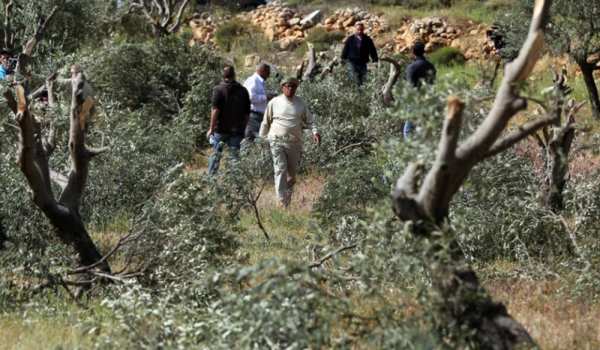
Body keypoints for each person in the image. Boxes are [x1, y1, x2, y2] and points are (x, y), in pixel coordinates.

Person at [259, 77, 321, 208]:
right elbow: (266, 122)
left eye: (293, 86)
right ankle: (281, 202)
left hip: (294, 143)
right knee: (280, 169)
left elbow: (310, 120)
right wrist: (261, 139)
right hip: (276, 141)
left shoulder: (301, 103)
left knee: (291, 176)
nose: (290, 88)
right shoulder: (274, 102)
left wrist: (315, 132)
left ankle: (287, 200)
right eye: (288, 86)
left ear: (296, 88)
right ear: (282, 87)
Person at [207, 65, 251, 175]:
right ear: (234, 75)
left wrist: (211, 128)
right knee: (234, 158)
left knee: (216, 155)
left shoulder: (218, 89)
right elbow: (247, 113)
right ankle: (234, 183)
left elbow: (215, 110)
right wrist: (244, 128)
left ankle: (210, 180)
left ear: (223, 75)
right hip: (237, 130)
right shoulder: (243, 90)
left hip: (221, 129)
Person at [403, 41, 436, 138]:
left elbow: (410, 85)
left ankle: (410, 150)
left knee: (408, 129)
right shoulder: (430, 66)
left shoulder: (411, 67)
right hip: (428, 99)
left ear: (413, 52)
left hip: (415, 100)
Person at [243, 62, 274, 141]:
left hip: (258, 116)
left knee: (256, 140)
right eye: (268, 72)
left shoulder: (259, 81)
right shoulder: (254, 80)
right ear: (262, 71)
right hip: (253, 116)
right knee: (250, 140)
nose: (269, 75)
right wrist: (266, 97)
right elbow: (250, 97)